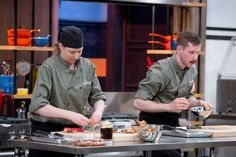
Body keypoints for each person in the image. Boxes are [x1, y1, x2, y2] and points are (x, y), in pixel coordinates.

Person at [29, 26, 106, 157]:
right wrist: (71, 115)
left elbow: (97, 96)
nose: (76, 56)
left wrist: (98, 112)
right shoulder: (48, 67)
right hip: (47, 132)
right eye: (72, 52)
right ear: (61, 46)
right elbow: (38, 105)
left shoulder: (88, 66)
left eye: (80, 51)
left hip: (74, 132)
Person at [133, 31, 212, 157]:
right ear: (179, 49)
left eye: (198, 53)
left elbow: (188, 97)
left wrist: (198, 102)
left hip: (173, 123)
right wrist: (169, 106)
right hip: (152, 125)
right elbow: (138, 102)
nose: (195, 58)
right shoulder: (160, 70)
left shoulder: (192, 70)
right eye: (191, 52)